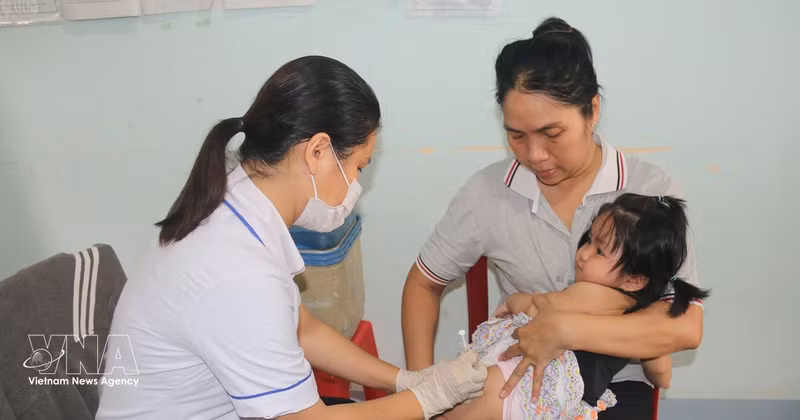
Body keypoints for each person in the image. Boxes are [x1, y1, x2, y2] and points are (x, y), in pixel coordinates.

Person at [96, 55, 487, 420]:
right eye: (358, 168)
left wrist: (403, 381)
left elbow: (304, 331)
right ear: (317, 151)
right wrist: (430, 398)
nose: (356, 186)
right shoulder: (237, 270)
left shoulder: (235, 201)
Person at [401, 17, 705, 419]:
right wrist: (427, 389)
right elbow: (424, 283)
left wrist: (564, 328)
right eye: (517, 136)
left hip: (613, 381)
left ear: (592, 110)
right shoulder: (487, 193)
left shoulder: (649, 191)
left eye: (553, 133)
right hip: (514, 378)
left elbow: (684, 325)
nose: (535, 155)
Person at [436, 193, 710, 420]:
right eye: (590, 240)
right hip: (565, 401)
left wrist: (513, 300)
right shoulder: (641, 315)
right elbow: (662, 376)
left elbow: (539, 308)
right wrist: (650, 353)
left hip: (535, 386)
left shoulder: (592, 293)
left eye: (600, 251)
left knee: (456, 404)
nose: (583, 254)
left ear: (634, 279)